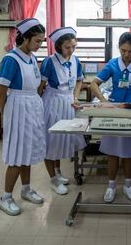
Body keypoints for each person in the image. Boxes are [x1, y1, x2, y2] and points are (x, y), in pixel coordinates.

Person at [90, 32, 131, 203]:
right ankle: (111, 185)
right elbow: (94, 84)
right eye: (123, 50)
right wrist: (104, 102)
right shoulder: (112, 64)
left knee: (129, 152)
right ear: (119, 48)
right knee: (112, 152)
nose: (126, 55)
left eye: (130, 51)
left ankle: (127, 184)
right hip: (114, 110)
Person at [0, 18, 46, 216]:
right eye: (37, 41)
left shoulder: (32, 57)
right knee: (17, 155)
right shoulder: (11, 59)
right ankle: (6, 197)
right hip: (17, 107)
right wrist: (6, 114)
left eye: (41, 41)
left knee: (28, 152)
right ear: (25, 38)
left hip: (32, 105)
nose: (39, 45)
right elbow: (0, 92)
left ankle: (26, 189)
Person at [38, 27, 86, 195]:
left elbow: (80, 80)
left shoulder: (76, 60)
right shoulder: (49, 62)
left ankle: (58, 173)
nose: (71, 50)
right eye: (67, 47)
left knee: (60, 140)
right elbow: (40, 87)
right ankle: (53, 179)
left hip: (68, 103)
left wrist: (76, 97)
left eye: (74, 46)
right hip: (52, 102)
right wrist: (36, 108)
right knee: (50, 141)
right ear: (58, 46)